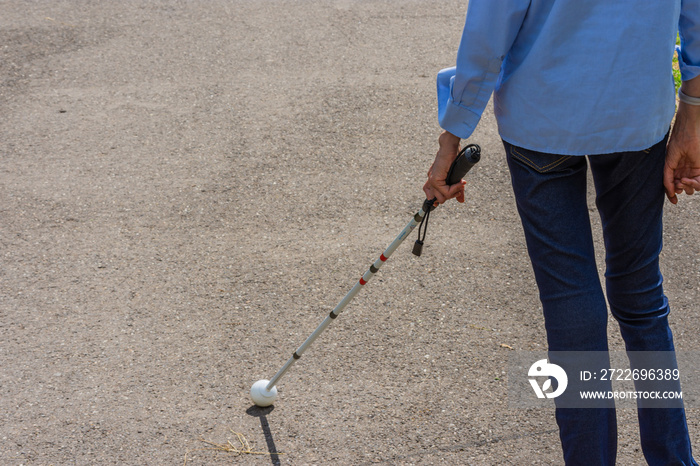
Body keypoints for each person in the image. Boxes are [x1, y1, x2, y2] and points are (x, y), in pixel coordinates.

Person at [422, 1, 700, 465]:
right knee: (641, 298)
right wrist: (693, 113)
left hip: (541, 119)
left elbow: (489, 31)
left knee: (572, 309)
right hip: (636, 113)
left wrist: (451, 137)